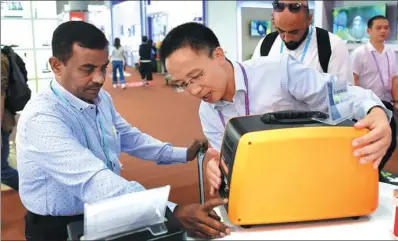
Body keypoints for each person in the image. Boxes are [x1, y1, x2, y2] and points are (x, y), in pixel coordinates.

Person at [16, 21, 231, 241]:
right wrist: (171, 211)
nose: (100, 79)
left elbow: (130, 138)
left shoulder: (100, 99)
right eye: (88, 69)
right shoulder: (42, 118)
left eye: (103, 68)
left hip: (107, 212)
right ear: (57, 66)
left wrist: (181, 153)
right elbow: (93, 181)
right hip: (58, 228)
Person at [158, 22, 392, 196]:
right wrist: (216, 164)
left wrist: (376, 112)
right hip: (262, 193)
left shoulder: (278, 72)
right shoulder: (207, 112)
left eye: (196, 76)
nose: (194, 90)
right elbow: (224, 156)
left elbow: (340, 96)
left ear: (218, 55)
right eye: (183, 85)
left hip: (313, 181)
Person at [252, 0, 353, 85]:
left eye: (294, 32)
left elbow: (343, 97)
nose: (287, 38)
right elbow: (254, 84)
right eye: (281, 31)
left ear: (309, 19)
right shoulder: (265, 44)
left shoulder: (333, 46)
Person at [351, 15, 398, 173]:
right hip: (368, 107)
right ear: (368, 30)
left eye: (386, 27)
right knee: (368, 143)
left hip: (387, 102)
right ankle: (367, 174)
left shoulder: (390, 52)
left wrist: (396, 100)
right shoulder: (359, 53)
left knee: (390, 143)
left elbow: (394, 79)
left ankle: (376, 171)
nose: (383, 31)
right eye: (378, 28)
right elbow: (353, 80)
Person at [1, 51, 18, 191]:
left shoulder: (1, 60)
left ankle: (37, 195)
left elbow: (1, 96)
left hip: (2, 123)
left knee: (2, 170)